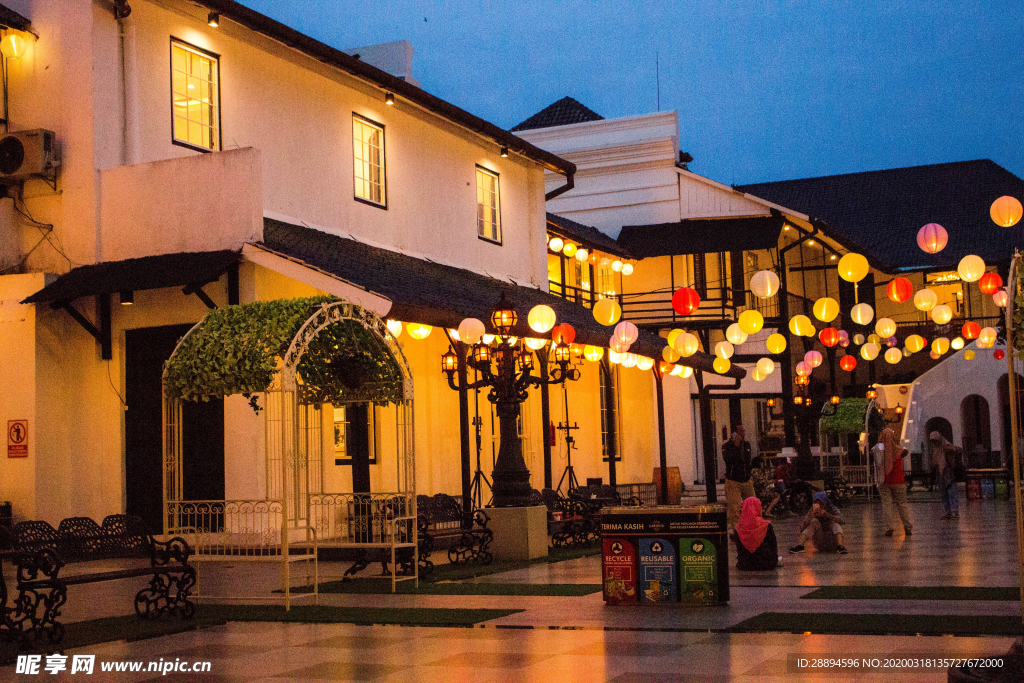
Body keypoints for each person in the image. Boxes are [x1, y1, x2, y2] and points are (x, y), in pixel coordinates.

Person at [879, 426, 912, 537]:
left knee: (887, 505)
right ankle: (907, 527)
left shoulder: (879, 450)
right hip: (898, 480)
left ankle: (889, 528)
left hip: (884, 480)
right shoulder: (900, 450)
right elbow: (905, 451)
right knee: (902, 504)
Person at [722, 424, 754, 533]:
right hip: (733, 480)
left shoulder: (746, 445)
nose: (743, 434)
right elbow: (729, 460)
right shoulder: (727, 447)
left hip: (746, 479)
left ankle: (751, 527)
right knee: (734, 508)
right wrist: (735, 446)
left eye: (743, 431)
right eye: (740, 431)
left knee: (752, 504)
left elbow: (747, 460)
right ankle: (737, 531)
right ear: (734, 433)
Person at [734, 496, 779, 570]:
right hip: (766, 564)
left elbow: (739, 549)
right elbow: (773, 546)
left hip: (745, 565)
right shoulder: (765, 526)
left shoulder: (739, 528)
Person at [930, 431, 960, 519]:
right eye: (933, 441)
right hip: (939, 472)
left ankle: (955, 511)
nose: (934, 443)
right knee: (943, 493)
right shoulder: (935, 448)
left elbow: (958, 450)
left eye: (935, 441)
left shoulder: (946, 445)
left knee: (952, 491)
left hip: (949, 472)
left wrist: (951, 449)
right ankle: (948, 511)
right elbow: (935, 459)